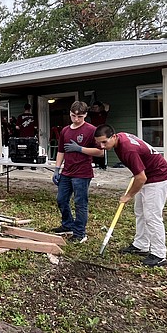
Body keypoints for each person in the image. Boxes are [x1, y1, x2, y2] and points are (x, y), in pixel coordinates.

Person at [93, 125, 167, 267]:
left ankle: (159, 254)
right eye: (98, 143)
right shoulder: (121, 137)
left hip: (158, 178)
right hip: (147, 176)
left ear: (113, 137)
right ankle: (141, 244)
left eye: (104, 142)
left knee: (152, 216)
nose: (101, 146)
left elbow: (141, 178)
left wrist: (128, 195)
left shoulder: (128, 149)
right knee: (140, 212)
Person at [51, 101, 104, 243]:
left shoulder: (92, 130)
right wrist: (57, 169)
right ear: (70, 113)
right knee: (61, 200)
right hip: (67, 172)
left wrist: (80, 149)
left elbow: (101, 152)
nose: (76, 119)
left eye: (80, 116)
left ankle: (80, 233)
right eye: (74, 116)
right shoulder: (65, 130)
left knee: (80, 203)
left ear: (85, 115)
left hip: (82, 173)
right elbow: (61, 150)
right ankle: (67, 225)